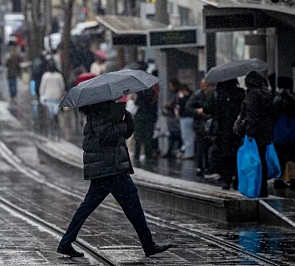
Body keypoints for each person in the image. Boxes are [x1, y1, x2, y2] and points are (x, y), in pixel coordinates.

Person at [57, 100, 172, 258]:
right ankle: (148, 245)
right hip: (111, 169)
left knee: (88, 207)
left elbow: (126, 133)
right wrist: (121, 123)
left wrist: (126, 117)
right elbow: (107, 135)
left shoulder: (105, 111)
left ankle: (65, 243)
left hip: (107, 168)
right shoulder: (100, 112)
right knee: (133, 206)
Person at [237, 71, 274, 198]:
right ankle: (263, 188)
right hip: (265, 131)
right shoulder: (267, 93)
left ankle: (255, 188)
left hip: (256, 132)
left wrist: (250, 133)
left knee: (253, 161)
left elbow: (252, 115)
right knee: (262, 159)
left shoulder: (253, 95)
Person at [213, 79, 246, 190]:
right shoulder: (241, 93)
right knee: (237, 155)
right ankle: (237, 180)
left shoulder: (220, 94)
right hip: (237, 130)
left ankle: (226, 180)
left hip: (224, 131)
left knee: (226, 156)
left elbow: (216, 112)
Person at [271, 76, 295, 189]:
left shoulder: (276, 99)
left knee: (280, 155)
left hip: (279, 132)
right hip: (293, 131)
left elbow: (273, 116)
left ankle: (279, 178)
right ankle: (291, 178)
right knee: (292, 155)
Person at [187, 79, 215, 176]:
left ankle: (207, 166)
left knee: (207, 146)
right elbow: (188, 107)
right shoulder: (197, 95)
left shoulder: (212, 94)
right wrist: (197, 111)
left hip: (209, 123)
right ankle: (200, 166)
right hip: (200, 124)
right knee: (201, 146)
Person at [40, 65, 66, 136]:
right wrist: (62, 93)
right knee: (56, 109)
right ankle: (55, 119)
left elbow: (42, 86)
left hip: (48, 95)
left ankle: (51, 120)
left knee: (50, 109)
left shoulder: (45, 76)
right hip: (57, 95)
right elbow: (62, 86)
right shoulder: (59, 76)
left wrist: (42, 94)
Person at [134, 87, 158, 162]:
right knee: (148, 137)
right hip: (149, 116)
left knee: (138, 137)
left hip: (140, 116)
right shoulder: (153, 93)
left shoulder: (140, 92)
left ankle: (137, 155)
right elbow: (155, 105)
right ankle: (148, 156)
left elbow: (136, 103)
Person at [175, 84, 194, 159]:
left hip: (186, 118)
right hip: (187, 118)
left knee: (187, 136)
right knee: (187, 136)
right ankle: (188, 152)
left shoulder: (185, 98)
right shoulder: (191, 96)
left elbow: (183, 106)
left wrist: (180, 98)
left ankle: (189, 154)